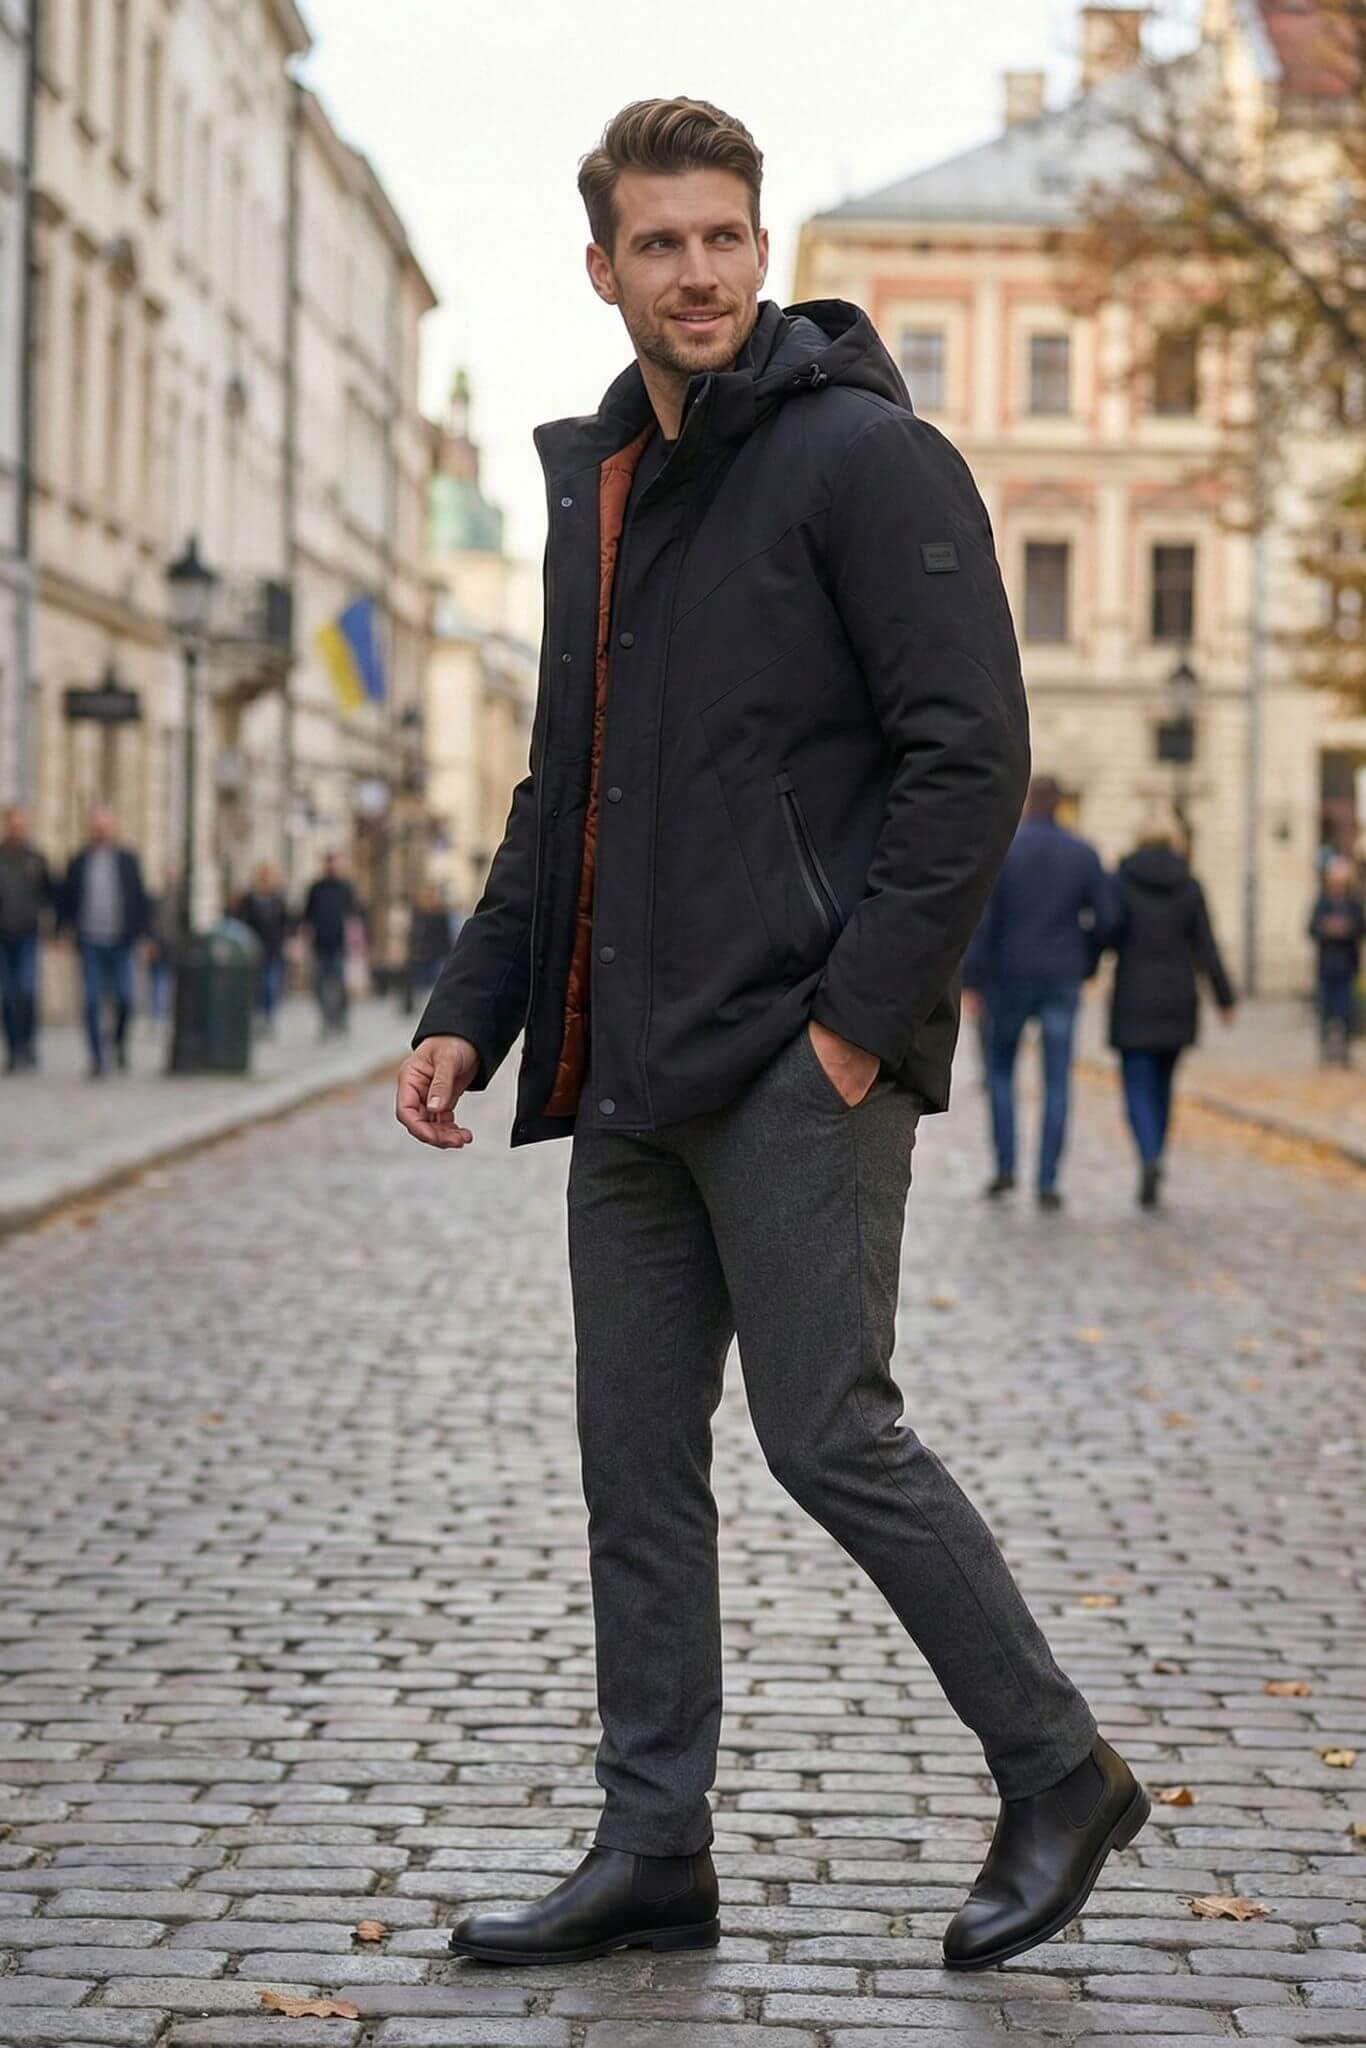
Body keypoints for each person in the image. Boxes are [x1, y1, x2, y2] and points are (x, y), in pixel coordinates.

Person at [395, 98, 1147, 1974]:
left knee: (831, 1431)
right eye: (659, 243)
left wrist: (850, 1027)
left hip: (793, 1057)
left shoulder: (864, 461)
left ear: (760, 243)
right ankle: (653, 1846)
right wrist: (470, 1013)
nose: (699, 271)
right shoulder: (609, 489)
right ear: (606, 268)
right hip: (630, 1066)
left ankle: (1058, 1767)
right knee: (630, 1461)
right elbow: (561, 786)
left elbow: (969, 757)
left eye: (724, 235)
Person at [964, 775, 1111, 1211]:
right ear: (1062, 805)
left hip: (1008, 977)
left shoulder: (1005, 850)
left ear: (1028, 803)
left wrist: (972, 980)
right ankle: (1047, 1178)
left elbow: (982, 919)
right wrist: (1087, 961)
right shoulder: (1083, 853)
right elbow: (1106, 918)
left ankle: (1006, 1166)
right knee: (1057, 1080)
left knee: (1001, 1074)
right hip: (1061, 976)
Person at [1108, 824, 1236, 1205]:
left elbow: (1108, 931)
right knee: (1163, 1084)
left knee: (1136, 1084)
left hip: (1134, 994)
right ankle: (1157, 1153)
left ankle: (1148, 1154)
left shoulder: (1122, 881)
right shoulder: (1190, 885)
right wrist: (1225, 998)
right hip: (1179, 996)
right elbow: (1207, 946)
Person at [59, 807, 149, 1078]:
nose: (101, 830)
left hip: (121, 941)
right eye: (97, 826)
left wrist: (144, 936)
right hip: (89, 940)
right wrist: (62, 931)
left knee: (125, 998)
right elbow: (67, 898)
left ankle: (119, 1043)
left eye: (105, 826)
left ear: (113, 829)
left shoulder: (127, 860)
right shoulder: (78, 861)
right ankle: (97, 1059)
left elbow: (139, 899)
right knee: (91, 1000)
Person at [0, 806, 52, 1072]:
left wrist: (51, 927)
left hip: (28, 935)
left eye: (21, 824)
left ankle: (28, 1045)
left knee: (28, 992)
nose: (16, 828)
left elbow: (48, 894)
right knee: (7, 996)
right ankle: (13, 1049)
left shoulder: (36, 858)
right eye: (12, 824)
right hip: (3, 936)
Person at [1307, 856, 1363, 1068]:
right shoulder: (1322, 903)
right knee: (1326, 1010)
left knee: (1346, 1010)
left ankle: (1345, 1051)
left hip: (1347, 966)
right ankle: (1325, 1049)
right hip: (1326, 967)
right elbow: (1312, 928)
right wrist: (1327, 929)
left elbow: (1360, 927)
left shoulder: (1353, 904)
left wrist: (1347, 929)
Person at [301, 852, 357, 1036]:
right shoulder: (316, 888)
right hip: (320, 944)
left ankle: (340, 1019)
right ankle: (326, 1020)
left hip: (339, 944)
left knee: (339, 984)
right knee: (320, 985)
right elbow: (307, 915)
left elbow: (354, 915)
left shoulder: (345, 887)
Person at [235, 862, 291, 1032]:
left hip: (273, 949)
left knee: (270, 985)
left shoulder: (278, 899)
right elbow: (241, 921)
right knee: (256, 986)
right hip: (253, 948)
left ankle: (268, 1017)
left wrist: (288, 942)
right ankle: (256, 1017)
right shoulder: (249, 899)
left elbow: (286, 923)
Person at [401, 883, 455, 1015]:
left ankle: (435, 1008)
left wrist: (449, 953)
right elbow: (413, 933)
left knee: (437, 982)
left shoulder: (441, 913)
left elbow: (446, 934)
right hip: (421, 953)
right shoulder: (418, 913)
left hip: (438, 953)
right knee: (420, 983)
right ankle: (423, 1008)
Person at [144, 869, 184, 1022]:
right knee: (158, 980)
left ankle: (163, 1014)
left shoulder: (180, 900)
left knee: (168, 981)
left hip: (173, 946)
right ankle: (157, 1015)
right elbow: (152, 921)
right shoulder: (157, 898)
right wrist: (151, 942)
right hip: (159, 944)